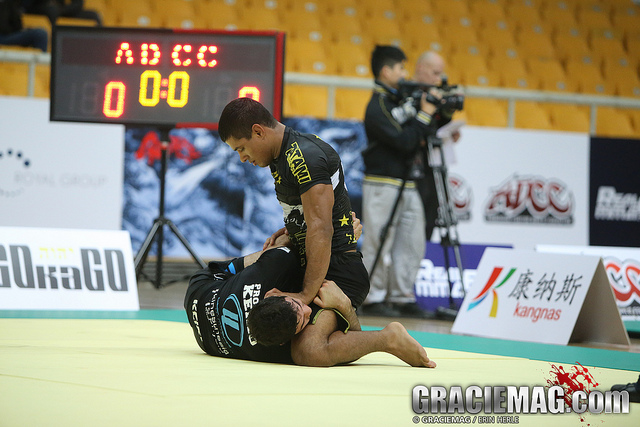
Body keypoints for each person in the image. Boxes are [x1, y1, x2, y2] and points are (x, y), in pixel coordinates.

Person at [184, 224, 436, 368]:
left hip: (227, 281)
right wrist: (345, 307)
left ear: (274, 293)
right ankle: (388, 338)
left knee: (286, 244)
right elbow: (350, 343)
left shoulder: (271, 266)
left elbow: (295, 243)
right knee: (310, 353)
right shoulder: (271, 346)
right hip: (329, 288)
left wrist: (341, 237)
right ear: (285, 340)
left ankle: (340, 239)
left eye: (297, 305)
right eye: (304, 321)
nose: (308, 309)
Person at [217, 97, 369, 311]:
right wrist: (293, 230)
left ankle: (390, 336)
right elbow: (315, 217)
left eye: (241, 148)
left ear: (258, 132)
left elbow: (321, 229)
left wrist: (304, 296)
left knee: (307, 344)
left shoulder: (303, 157)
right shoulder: (282, 156)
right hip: (312, 265)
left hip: (337, 274)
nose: (242, 157)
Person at [360, 45, 438, 318]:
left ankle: (402, 295)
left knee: (412, 240)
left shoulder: (398, 99)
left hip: (408, 181)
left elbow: (425, 126)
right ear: (386, 71)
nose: (405, 73)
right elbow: (405, 142)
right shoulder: (377, 106)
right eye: (401, 68)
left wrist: (435, 108)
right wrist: (425, 114)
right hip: (382, 182)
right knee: (378, 239)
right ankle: (373, 296)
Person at [414, 51, 461, 240]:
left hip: (434, 168)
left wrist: (449, 128)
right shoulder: (409, 95)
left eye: (441, 73)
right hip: (413, 169)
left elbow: (437, 125)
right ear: (420, 69)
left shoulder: (436, 94)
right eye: (435, 72)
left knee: (432, 214)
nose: (438, 78)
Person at [22, 0, 102, 26]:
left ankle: (100, 50)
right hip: (39, 7)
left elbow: (78, 4)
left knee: (94, 16)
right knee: (52, 10)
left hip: (62, 10)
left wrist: (63, 9)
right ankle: (55, 47)